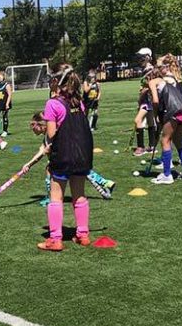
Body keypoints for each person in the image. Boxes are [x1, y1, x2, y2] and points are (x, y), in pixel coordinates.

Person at [37, 63, 93, 251]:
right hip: (82, 154)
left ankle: (55, 239)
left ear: (55, 82)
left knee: (56, 196)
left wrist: (46, 144)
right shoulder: (79, 102)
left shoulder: (53, 104)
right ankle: (83, 234)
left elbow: (52, 134)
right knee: (79, 195)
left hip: (63, 155)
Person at [25, 111, 115, 206]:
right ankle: (105, 182)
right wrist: (28, 164)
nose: (32, 130)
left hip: (68, 158)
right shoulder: (47, 136)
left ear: (41, 125)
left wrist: (50, 149)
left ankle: (51, 197)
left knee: (53, 169)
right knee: (79, 172)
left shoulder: (53, 133)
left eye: (33, 126)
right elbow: (41, 152)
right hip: (69, 159)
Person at [149, 54, 182, 184]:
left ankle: (167, 175)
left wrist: (156, 115)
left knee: (165, 140)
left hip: (173, 110)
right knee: (178, 140)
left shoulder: (154, 81)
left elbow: (155, 101)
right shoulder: (174, 78)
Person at [133, 48, 158, 156]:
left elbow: (149, 86)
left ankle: (140, 147)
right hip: (148, 99)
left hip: (147, 100)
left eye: (142, 57)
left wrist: (140, 97)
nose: (140, 59)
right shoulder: (146, 69)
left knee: (138, 120)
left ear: (148, 57)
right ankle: (152, 146)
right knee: (150, 121)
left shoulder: (149, 70)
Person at [0, 71, 13, 136]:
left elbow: (10, 95)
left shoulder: (7, 85)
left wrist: (7, 104)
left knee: (5, 116)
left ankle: (5, 131)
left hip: (5, 103)